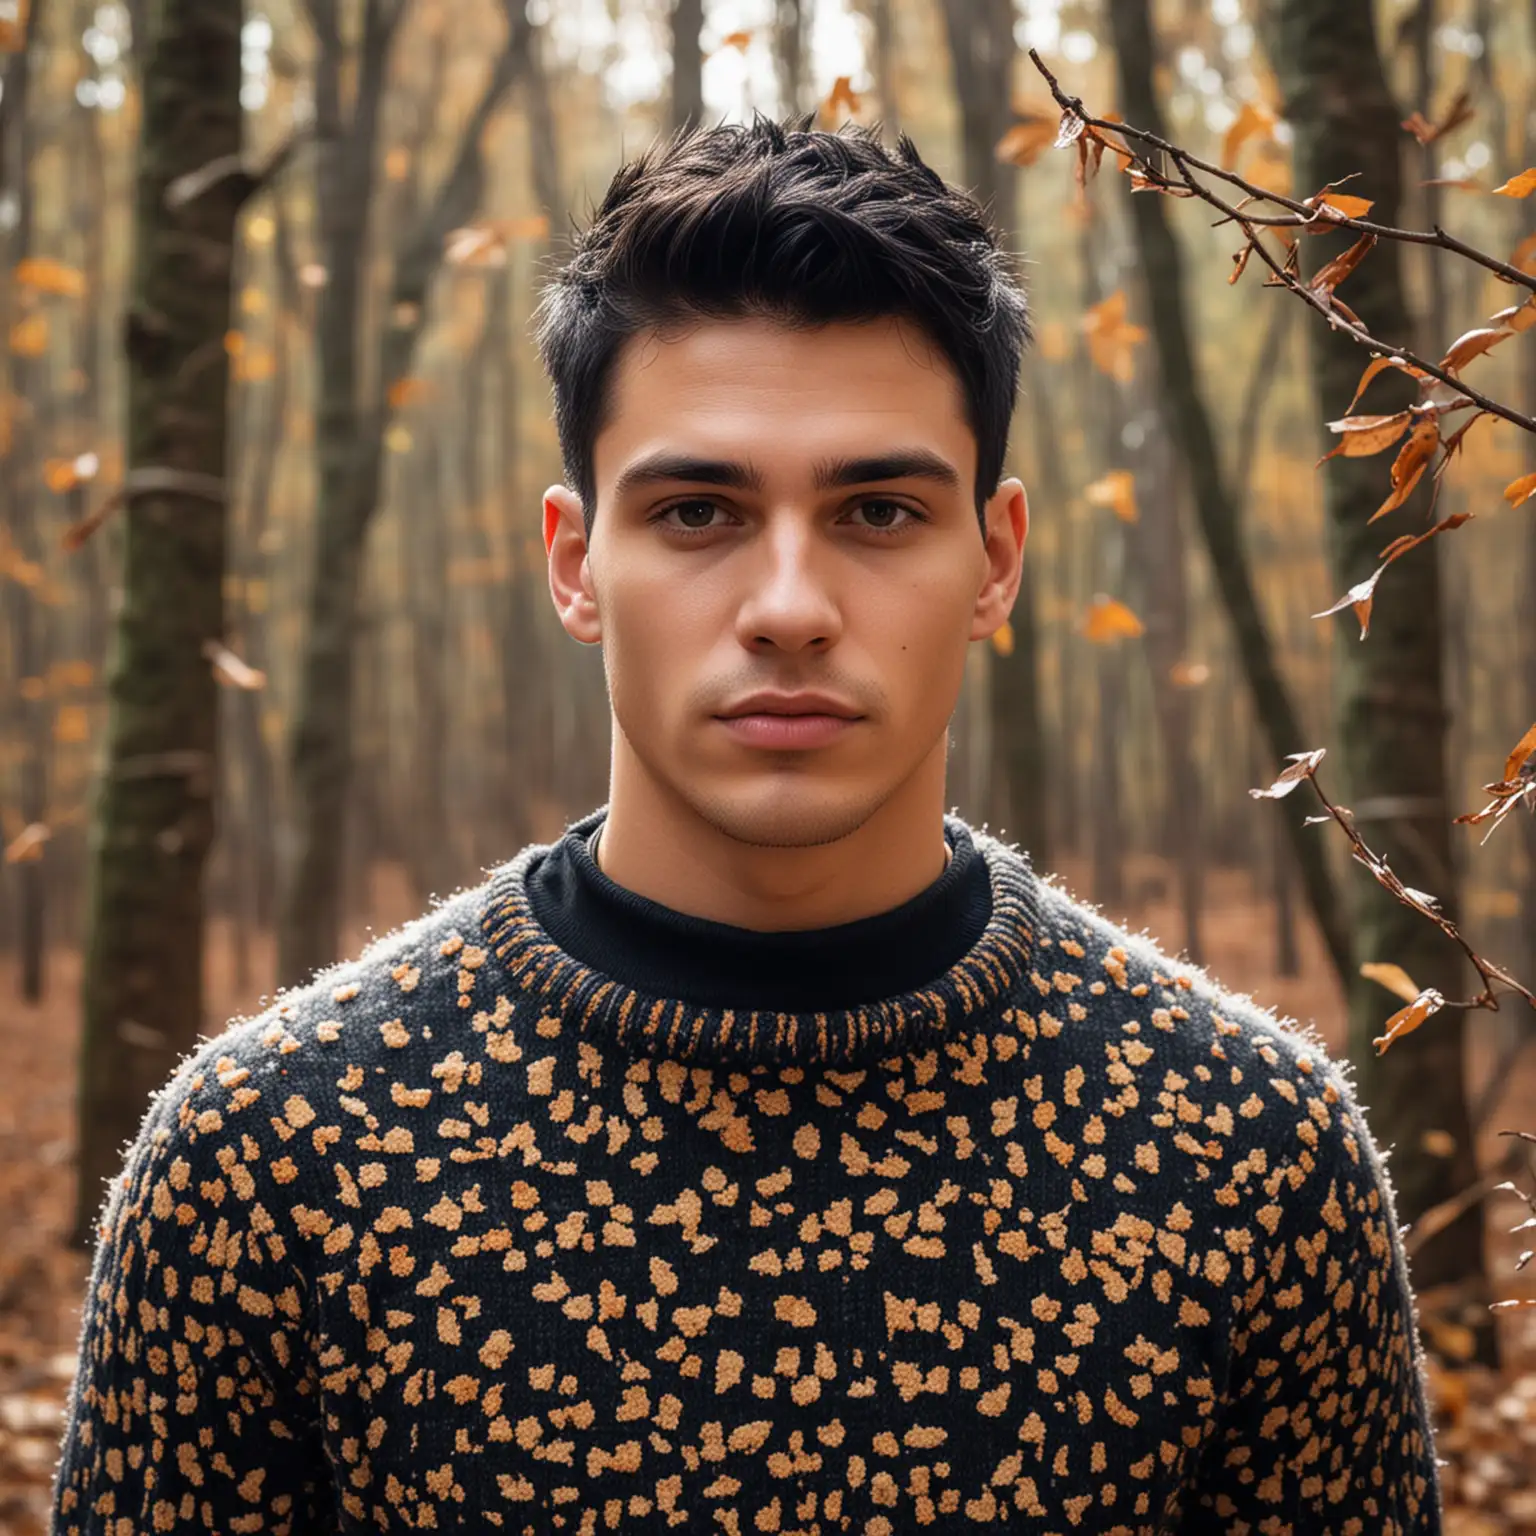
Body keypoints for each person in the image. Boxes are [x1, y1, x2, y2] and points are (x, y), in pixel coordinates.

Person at [53, 116, 1439, 1535]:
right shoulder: (270, 1157)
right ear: (576, 562)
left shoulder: (1243, 1152)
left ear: (997, 559)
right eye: (701, 510)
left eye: (881, 510)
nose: (788, 605)